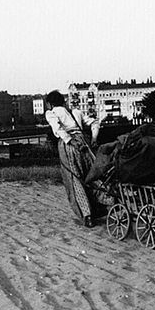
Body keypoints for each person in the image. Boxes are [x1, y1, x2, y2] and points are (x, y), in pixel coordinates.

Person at [45, 90, 108, 227]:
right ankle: (106, 204)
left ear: (50, 104)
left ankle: (87, 215)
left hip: (69, 146)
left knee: (74, 179)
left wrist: (70, 140)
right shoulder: (76, 112)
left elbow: (58, 129)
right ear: (63, 101)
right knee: (93, 174)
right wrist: (94, 138)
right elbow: (95, 122)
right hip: (84, 142)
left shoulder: (52, 113)